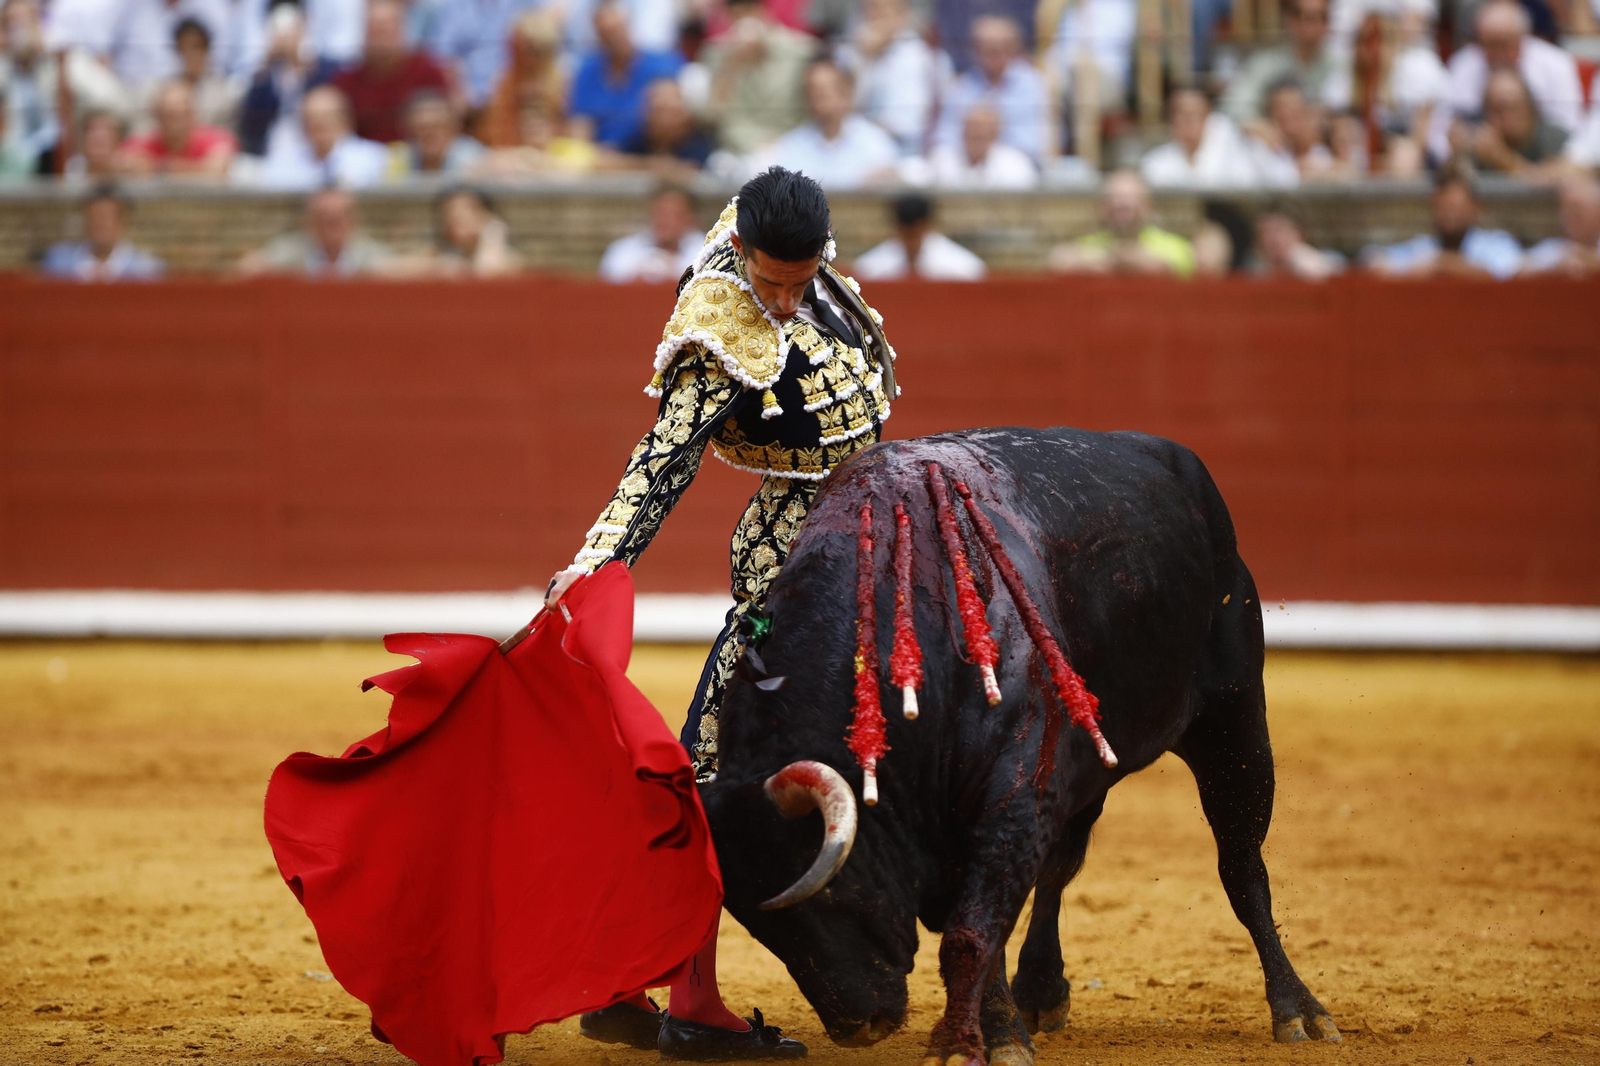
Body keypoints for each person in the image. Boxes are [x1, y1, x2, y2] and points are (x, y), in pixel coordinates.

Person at [551, 168, 894, 1061]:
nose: (783, 304)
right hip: (790, 573)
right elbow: (658, 469)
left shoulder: (774, 234)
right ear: (740, 254)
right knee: (712, 780)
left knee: (715, 776)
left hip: (843, 541)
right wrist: (595, 567)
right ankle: (689, 1001)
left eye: (800, 282)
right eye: (769, 283)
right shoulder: (716, 332)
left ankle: (623, 982)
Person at [1426, 0, 1582, 164]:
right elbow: (1440, 131)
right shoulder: (1463, 64)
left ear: (1522, 37)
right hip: (1478, 165)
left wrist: (1508, 151)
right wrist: (1455, 143)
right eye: (1489, 44)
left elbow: (1569, 129)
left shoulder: (1556, 63)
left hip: (1543, 160)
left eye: (1505, 43)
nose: (1498, 53)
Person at [698, 0, 815, 157]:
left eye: (749, 10)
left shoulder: (802, 51)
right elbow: (711, 118)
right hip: (737, 150)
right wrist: (731, 66)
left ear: (763, 11)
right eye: (736, 14)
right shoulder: (715, 53)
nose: (744, 20)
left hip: (790, 147)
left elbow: (811, 112)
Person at [1361, 166, 1523, 278]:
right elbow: (1374, 261)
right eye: (1443, 208)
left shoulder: (1496, 244)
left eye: (1456, 207)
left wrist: (1443, 264)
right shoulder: (1422, 247)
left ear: (1475, 209)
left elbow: (1507, 273)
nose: (1449, 215)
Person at [759, 59, 897, 188]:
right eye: (812, 93)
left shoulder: (875, 142)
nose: (817, 101)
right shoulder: (790, 145)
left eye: (824, 93)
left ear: (847, 93)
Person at [567, 0, 683, 149]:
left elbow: (670, 120)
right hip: (601, 156)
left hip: (648, 150)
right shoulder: (587, 71)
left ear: (628, 26)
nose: (613, 38)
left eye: (616, 30)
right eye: (605, 33)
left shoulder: (662, 65)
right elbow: (580, 123)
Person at [332, 0, 450, 144]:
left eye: (386, 31)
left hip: (417, 159)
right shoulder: (347, 80)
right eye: (375, 31)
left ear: (401, 30)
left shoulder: (427, 71)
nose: (381, 40)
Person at [933, 15, 1047, 162]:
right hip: (967, 166)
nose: (992, 57)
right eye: (986, 50)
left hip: (1013, 167)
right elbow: (945, 137)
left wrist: (988, 145)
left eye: (999, 50)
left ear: (1013, 49)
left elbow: (1031, 143)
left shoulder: (1030, 83)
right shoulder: (961, 86)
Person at [237, 1, 341, 158]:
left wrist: (300, 64)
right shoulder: (265, 76)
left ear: (302, 28)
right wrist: (266, 65)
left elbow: (326, 103)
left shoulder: (322, 68)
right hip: (269, 152)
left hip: (311, 151)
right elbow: (250, 123)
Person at [834, 0, 938, 157]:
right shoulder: (851, 52)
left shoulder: (918, 55)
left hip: (905, 151)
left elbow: (909, 124)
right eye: (870, 9)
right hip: (856, 146)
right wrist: (865, 59)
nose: (876, 17)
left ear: (902, 14)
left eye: (883, 10)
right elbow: (844, 107)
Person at [1049, 168, 1196, 276]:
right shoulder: (1091, 243)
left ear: (1148, 206)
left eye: (1131, 203)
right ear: (1101, 208)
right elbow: (1058, 260)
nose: (1122, 208)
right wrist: (1105, 262)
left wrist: (1136, 262)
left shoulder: (1174, 246)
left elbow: (1183, 268)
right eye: (1114, 201)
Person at [1222, 0, 1337, 128]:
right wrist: (1260, 127)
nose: (1318, 26)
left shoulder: (1337, 65)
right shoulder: (1267, 63)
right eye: (1310, 18)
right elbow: (1234, 104)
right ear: (1292, 21)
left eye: (1323, 18)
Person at [239, 185, 396, 276]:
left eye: (338, 219)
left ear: (352, 222)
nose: (332, 226)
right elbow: (247, 267)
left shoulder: (368, 252)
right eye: (324, 218)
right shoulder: (289, 250)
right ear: (309, 222)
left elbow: (403, 268)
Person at [257, 84, 388, 188]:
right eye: (311, 122)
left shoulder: (376, 158)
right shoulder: (282, 162)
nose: (319, 129)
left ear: (345, 120)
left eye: (326, 120)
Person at [475, 7, 566, 148]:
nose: (532, 57)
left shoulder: (563, 82)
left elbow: (567, 129)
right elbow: (495, 131)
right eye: (528, 49)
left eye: (539, 50)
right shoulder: (505, 83)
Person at [1453, 68, 1569, 177]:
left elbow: (1547, 183)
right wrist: (1458, 156)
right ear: (1486, 113)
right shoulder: (1479, 142)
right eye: (1499, 109)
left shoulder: (1556, 140)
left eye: (1515, 107)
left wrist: (1500, 157)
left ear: (1530, 108)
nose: (1509, 117)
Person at [429, 0, 542, 110]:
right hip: (468, 99)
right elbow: (443, 57)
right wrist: (460, 94)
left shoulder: (526, 3)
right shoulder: (454, 7)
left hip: (515, 92)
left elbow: (540, 42)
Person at [40, 184, 166, 280]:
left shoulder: (147, 270)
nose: (100, 224)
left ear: (122, 221)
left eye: (107, 217)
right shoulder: (57, 263)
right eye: (94, 217)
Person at [115, 78, 237, 177]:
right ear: (156, 116)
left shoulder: (216, 139)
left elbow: (216, 171)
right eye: (167, 115)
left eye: (178, 115)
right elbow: (122, 163)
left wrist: (162, 168)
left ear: (192, 115)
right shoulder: (143, 141)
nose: (173, 124)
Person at [1140, 87, 1258, 187]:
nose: (1190, 120)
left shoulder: (1234, 153)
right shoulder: (1154, 162)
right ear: (1171, 120)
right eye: (1184, 115)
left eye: (1197, 114)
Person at [852, 192, 987, 279]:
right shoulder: (871, 267)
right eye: (906, 235)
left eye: (915, 235)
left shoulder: (962, 267)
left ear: (928, 226)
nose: (911, 242)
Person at [910, 104, 1037, 188]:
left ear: (995, 135)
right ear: (963, 132)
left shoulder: (1015, 164)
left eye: (982, 134)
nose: (976, 136)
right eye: (972, 131)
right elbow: (916, 175)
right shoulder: (943, 159)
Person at [598, 184, 702, 281]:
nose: (665, 221)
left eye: (674, 215)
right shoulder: (621, 251)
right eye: (661, 213)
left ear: (690, 217)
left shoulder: (707, 251)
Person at [613, 78, 714, 174]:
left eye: (667, 111)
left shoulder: (700, 144)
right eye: (653, 110)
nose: (658, 119)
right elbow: (608, 160)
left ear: (685, 114)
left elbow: (689, 171)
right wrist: (649, 164)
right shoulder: (639, 137)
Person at [430, 185, 522, 276]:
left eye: (467, 209)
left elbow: (489, 271)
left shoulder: (510, 261)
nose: (457, 216)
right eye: (450, 211)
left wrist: (494, 233)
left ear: (488, 214)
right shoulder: (446, 260)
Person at [389, 89, 485, 176]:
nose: (429, 134)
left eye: (437, 127)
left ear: (454, 129)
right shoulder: (398, 159)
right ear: (409, 131)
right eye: (421, 128)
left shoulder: (473, 159)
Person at [1521, 175, 1600, 274]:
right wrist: (1554, 268)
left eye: (1577, 209)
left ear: (1597, 213)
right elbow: (1519, 270)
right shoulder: (1552, 249)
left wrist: (1587, 258)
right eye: (1566, 209)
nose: (1570, 216)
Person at [1252, 203, 1343, 278]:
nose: (1273, 238)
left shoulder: (1330, 264)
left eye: (1279, 229)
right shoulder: (1254, 271)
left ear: (1299, 231)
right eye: (1265, 232)